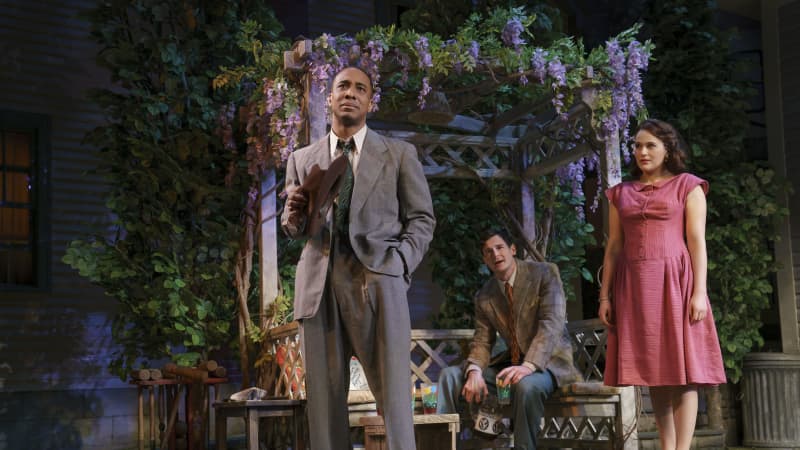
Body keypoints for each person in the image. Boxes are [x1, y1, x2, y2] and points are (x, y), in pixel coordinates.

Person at [281, 65, 435, 450]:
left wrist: (399, 265)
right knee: (324, 402)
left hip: (378, 281)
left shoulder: (398, 154)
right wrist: (294, 213)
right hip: (320, 287)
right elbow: (294, 228)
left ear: (370, 101)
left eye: (360, 88)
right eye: (342, 87)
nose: (350, 93)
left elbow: (421, 219)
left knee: (395, 397)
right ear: (329, 99)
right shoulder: (302, 159)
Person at [598, 118, 726, 450]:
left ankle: (681, 448)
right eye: (638, 145)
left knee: (682, 369)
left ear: (668, 149)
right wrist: (605, 296)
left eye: (650, 145)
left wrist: (699, 292)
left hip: (676, 282)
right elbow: (613, 246)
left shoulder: (688, 186)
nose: (642, 151)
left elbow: (696, 242)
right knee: (653, 368)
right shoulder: (621, 193)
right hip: (635, 286)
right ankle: (667, 447)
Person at [437, 228, 581, 450]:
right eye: (488, 252)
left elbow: (551, 324)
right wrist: (474, 371)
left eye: (499, 247)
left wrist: (528, 365)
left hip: (547, 364)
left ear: (512, 249)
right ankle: (441, 445)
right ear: (484, 259)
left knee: (526, 385)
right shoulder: (485, 295)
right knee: (450, 375)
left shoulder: (544, 274)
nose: (495, 255)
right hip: (510, 367)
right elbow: (483, 341)